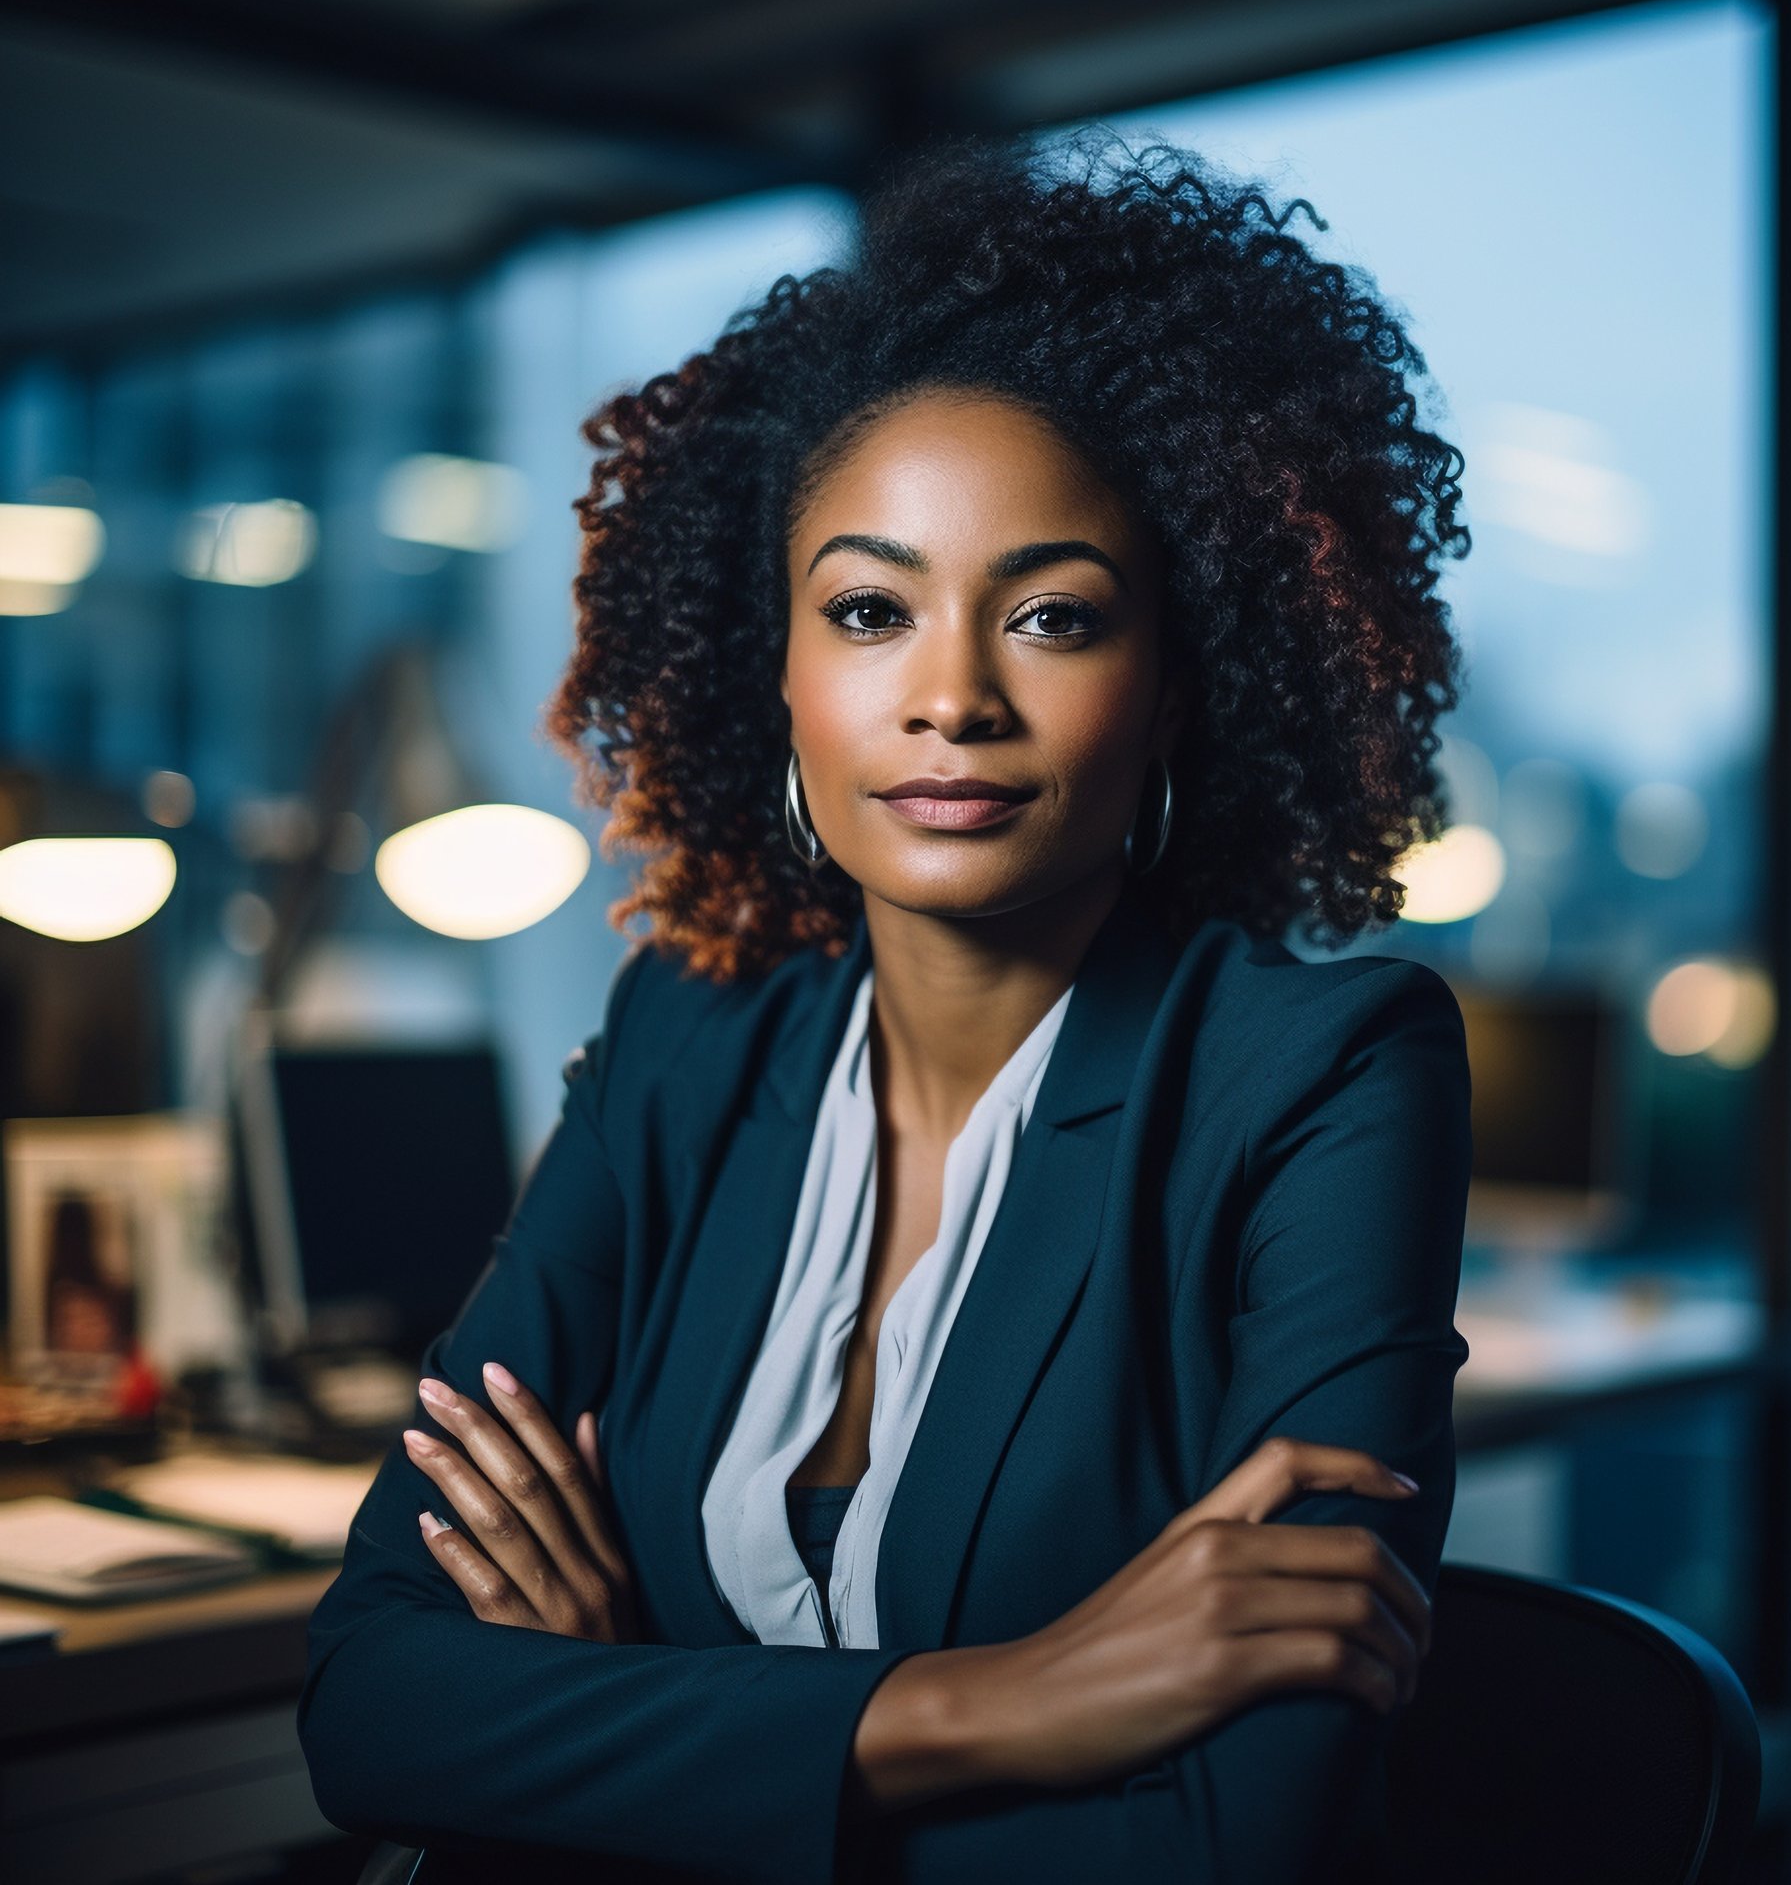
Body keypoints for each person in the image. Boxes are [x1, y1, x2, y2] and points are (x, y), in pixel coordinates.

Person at [296, 128, 1475, 1884]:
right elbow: (373, 1699)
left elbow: (1234, 1836)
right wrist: (1008, 1705)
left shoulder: (1323, 1074)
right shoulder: (688, 1043)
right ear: (772, 666)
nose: (950, 700)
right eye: (868, 608)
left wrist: (636, 1727)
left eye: (1055, 619)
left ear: (1174, 685)